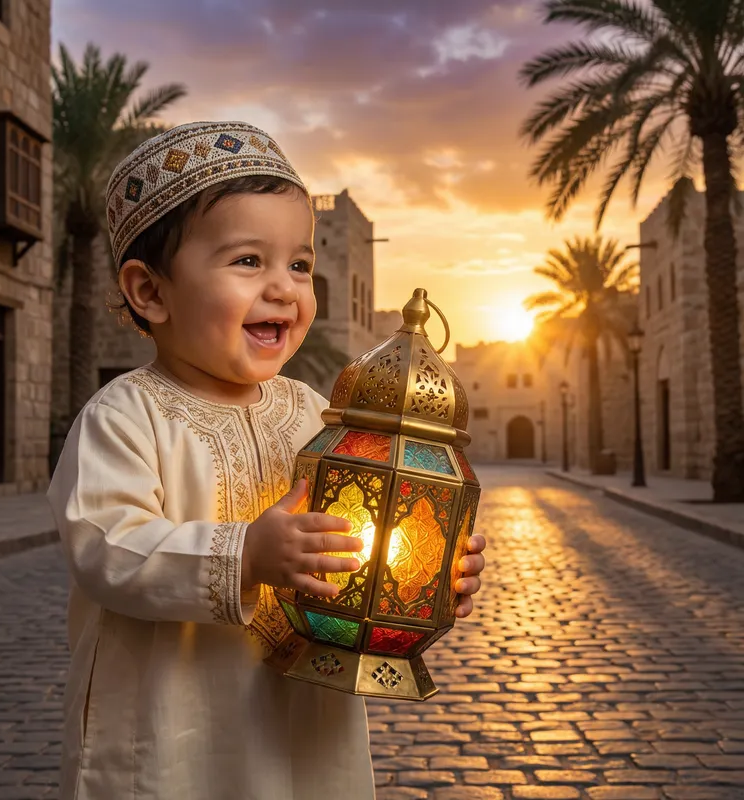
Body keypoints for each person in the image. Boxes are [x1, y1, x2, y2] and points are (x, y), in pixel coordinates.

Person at [48, 121, 487, 800]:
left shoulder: (317, 415)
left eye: (301, 265)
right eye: (249, 261)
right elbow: (107, 548)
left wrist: (425, 571)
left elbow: (367, 542)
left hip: (302, 724)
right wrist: (245, 555)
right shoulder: (124, 418)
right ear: (150, 292)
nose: (285, 288)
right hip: (171, 730)